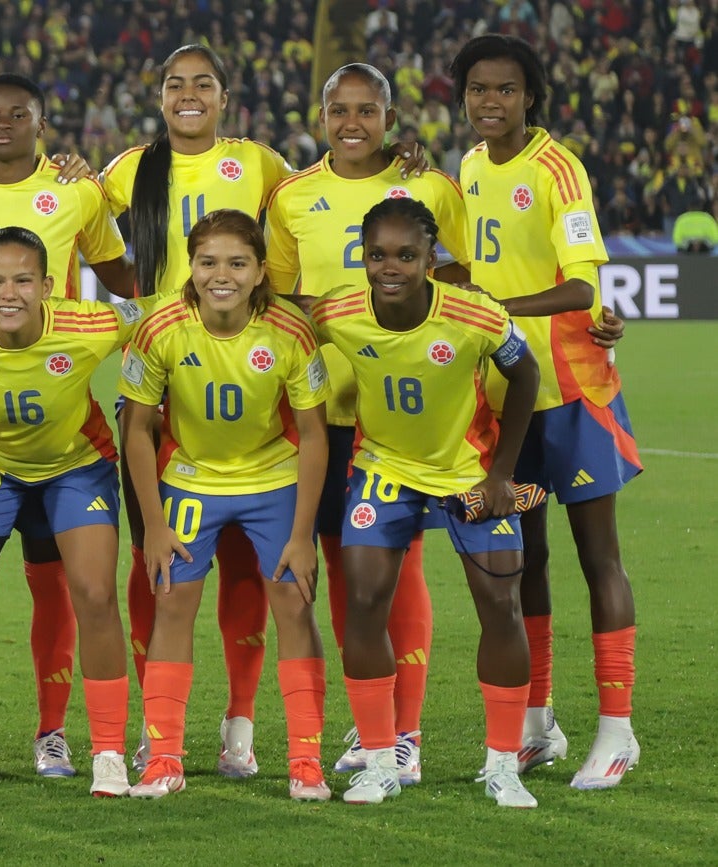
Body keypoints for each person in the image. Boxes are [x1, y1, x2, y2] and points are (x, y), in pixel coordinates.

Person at [99, 44, 430, 774]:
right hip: (163, 384)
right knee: (158, 567)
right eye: (175, 83)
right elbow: (70, 219)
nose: (189, 95)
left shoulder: (263, 167)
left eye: (203, 84)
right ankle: (157, 735)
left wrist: (399, 157)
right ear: (159, 96)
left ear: (226, 97)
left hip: (270, 389)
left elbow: (328, 189)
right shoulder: (127, 170)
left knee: (275, 571)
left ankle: (247, 724)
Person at [264, 62, 473, 784]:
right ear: (321, 116)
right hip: (321, 412)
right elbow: (280, 298)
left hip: (399, 413)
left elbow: (464, 279)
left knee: (400, 566)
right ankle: (373, 722)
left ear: (390, 116)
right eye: (339, 110)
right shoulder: (292, 195)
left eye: (366, 110)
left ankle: (405, 732)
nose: (352, 123)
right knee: (345, 566)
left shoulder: (430, 186)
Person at [0, 72, 135, 778]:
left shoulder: (79, 191)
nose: (4, 123)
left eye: (19, 114)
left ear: (42, 124)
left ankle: (72, 739)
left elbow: (134, 290)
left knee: (75, 591)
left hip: (69, 432)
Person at [451, 34, 642, 789]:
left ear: (530, 95)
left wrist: (495, 306)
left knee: (599, 556)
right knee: (523, 555)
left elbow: (584, 288)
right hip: (509, 399)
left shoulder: (558, 167)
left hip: (573, 394)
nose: (490, 102)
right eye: (478, 89)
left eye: (505, 89)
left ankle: (618, 732)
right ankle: (537, 724)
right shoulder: (468, 167)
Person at [311, 197, 540, 808]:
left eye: (407, 256)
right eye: (378, 255)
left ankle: (503, 766)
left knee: (501, 605)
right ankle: (381, 762)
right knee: (364, 602)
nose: (391, 268)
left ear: (430, 259)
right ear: (363, 257)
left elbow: (526, 375)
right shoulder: (337, 312)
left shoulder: (473, 314)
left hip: (466, 471)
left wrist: (503, 474)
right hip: (383, 468)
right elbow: (286, 326)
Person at [119, 210, 330, 800]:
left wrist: (302, 534)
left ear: (261, 271)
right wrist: (153, 525)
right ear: (190, 266)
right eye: (208, 262)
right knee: (171, 604)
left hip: (272, 477)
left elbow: (314, 435)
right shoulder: (161, 326)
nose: (222, 275)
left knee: (294, 606)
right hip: (191, 479)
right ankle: (163, 760)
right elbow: (137, 430)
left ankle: (306, 763)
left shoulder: (290, 330)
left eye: (238, 263)